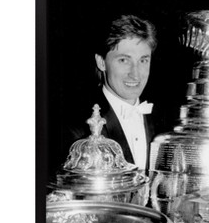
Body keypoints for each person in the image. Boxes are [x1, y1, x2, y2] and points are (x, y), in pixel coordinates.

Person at [67, 14, 158, 171]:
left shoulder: (164, 121)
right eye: (124, 60)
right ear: (101, 62)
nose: (135, 74)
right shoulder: (76, 128)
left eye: (143, 60)